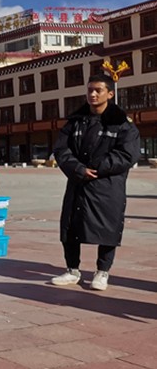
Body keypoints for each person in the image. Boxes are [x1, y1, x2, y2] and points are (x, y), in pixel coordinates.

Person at [51, 73, 140, 291]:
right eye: (90, 90)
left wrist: (98, 168)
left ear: (109, 94)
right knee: (70, 226)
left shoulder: (122, 124)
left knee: (108, 227)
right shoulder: (75, 122)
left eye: (98, 90)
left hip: (107, 185)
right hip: (78, 181)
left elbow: (127, 155)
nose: (92, 94)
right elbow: (61, 149)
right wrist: (77, 169)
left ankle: (102, 272)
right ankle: (72, 270)